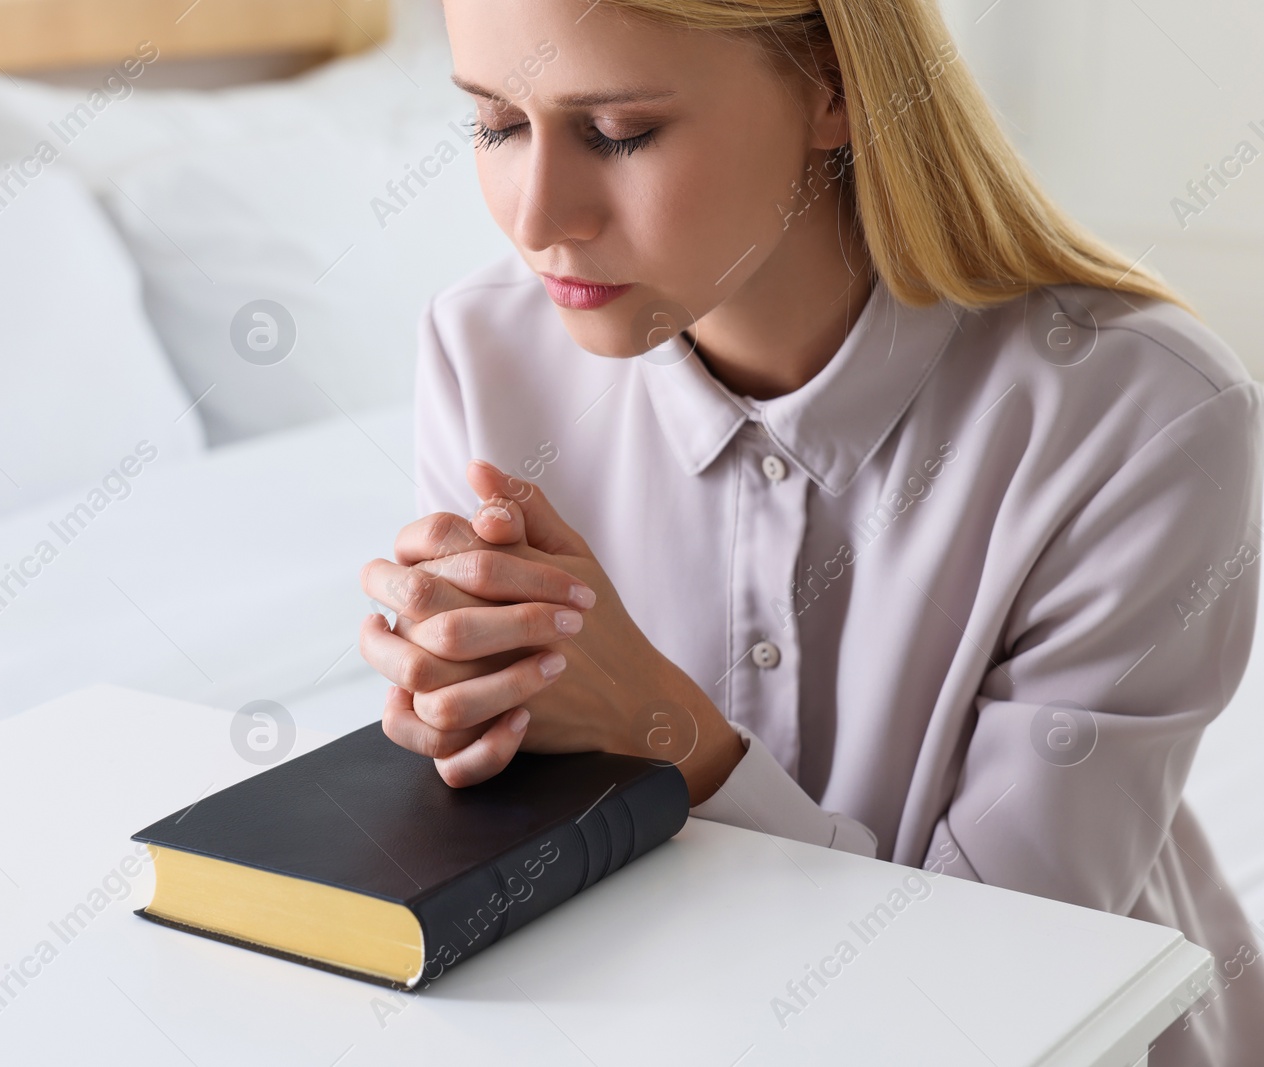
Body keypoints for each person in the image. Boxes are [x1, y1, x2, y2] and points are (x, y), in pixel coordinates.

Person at [356, 1, 1264, 1062]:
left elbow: (998, 990)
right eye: (497, 125)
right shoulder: (482, 348)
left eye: (616, 134)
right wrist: (462, 716)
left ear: (833, 86)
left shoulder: (1139, 414)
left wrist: (677, 743)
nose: (538, 217)